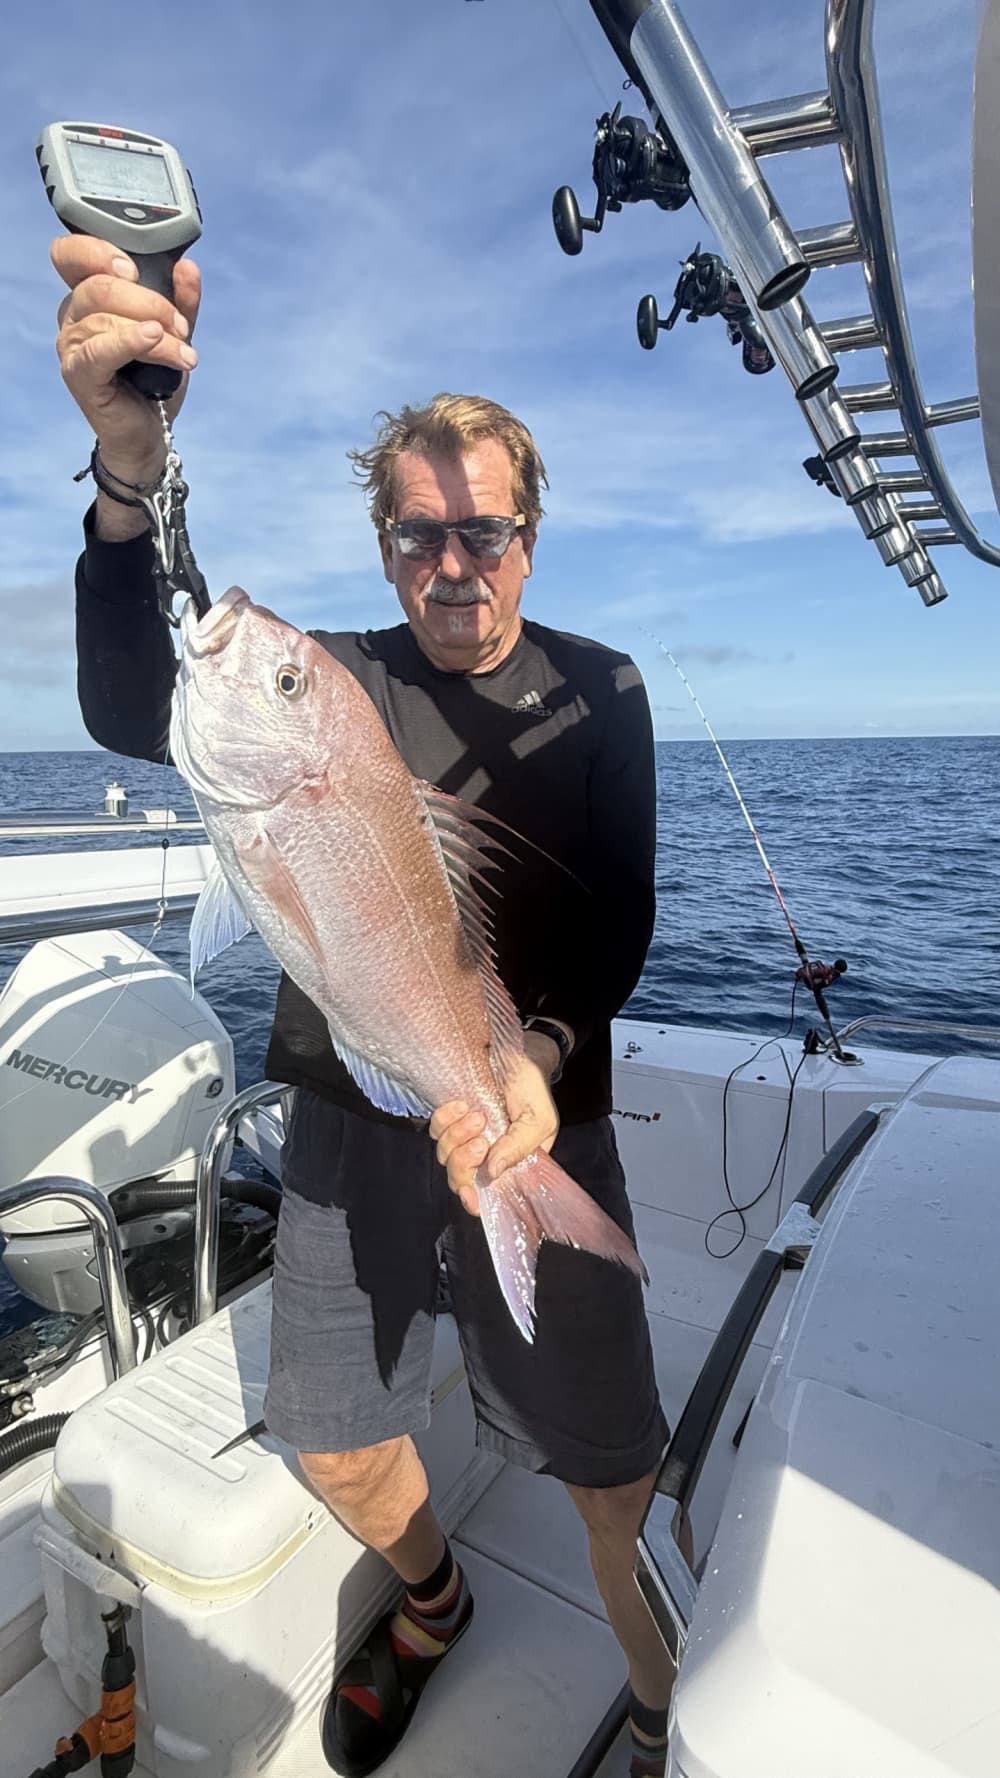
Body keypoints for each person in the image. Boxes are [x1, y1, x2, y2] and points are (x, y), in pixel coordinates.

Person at [53, 234, 679, 1778]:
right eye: (417, 536)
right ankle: (433, 1595)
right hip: (346, 1118)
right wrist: (127, 475)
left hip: (531, 1099)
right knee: (332, 1438)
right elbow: (132, 701)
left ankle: (666, 1702)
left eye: (483, 533)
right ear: (387, 543)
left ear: (529, 537)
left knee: (613, 1472)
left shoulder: (605, 689)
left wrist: (534, 1064)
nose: (451, 565)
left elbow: (616, 915)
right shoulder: (326, 675)